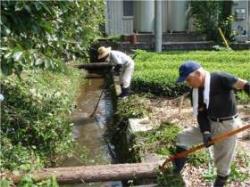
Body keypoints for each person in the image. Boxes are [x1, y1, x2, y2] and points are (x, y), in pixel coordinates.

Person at [174, 61, 250, 187]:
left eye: (188, 79)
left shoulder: (221, 78)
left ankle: (220, 182)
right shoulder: (195, 92)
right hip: (211, 123)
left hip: (228, 125)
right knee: (183, 137)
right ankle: (176, 171)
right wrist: (206, 132)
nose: (188, 83)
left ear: (198, 73)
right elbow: (201, 114)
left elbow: (246, 85)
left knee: (222, 162)